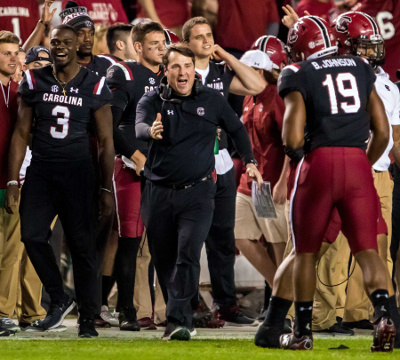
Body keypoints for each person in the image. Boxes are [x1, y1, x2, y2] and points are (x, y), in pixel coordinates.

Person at [275, 15, 395, 351]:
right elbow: (384, 133)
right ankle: (383, 316)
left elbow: (292, 138)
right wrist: (361, 164)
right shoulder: (361, 71)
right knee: (370, 252)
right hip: (360, 168)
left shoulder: (301, 73)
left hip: (322, 166)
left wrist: (305, 165)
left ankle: (301, 330)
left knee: (307, 253)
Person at [136, 44, 262, 340]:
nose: (183, 72)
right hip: (158, 192)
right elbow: (139, 125)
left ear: (195, 69)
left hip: (199, 192)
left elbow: (237, 129)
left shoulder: (212, 99)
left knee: (188, 254)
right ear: (164, 71)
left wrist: (251, 161)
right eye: (176, 67)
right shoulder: (151, 99)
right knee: (164, 259)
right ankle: (180, 312)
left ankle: (178, 319)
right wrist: (148, 132)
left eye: (188, 66)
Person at [5, 24, 115, 338]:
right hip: (41, 171)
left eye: (66, 42)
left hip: (79, 174)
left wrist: (106, 188)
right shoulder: (34, 80)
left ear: (78, 43)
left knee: (82, 248)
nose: (60, 47)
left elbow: (107, 141)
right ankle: (60, 296)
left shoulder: (93, 83)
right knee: (32, 236)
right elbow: (21, 133)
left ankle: (88, 320)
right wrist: (13, 182)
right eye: (55, 42)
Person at [182, 16, 265, 327]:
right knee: (189, 239)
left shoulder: (220, 71)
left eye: (209, 35)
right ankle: (190, 303)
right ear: (186, 43)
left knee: (221, 240)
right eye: (199, 37)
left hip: (223, 164)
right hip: (190, 165)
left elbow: (258, 85)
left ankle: (226, 305)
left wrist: (228, 56)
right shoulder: (181, 72)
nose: (206, 41)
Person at [103, 20, 165, 332]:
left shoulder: (172, 74)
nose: (161, 49)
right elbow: (110, 126)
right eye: (154, 44)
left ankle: (170, 310)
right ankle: (126, 309)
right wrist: (136, 155)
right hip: (132, 166)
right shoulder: (125, 73)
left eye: (163, 43)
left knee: (165, 242)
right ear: (138, 47)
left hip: (166, 169)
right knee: (130, 239)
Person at [235, 38, 289, 297]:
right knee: (239, 235)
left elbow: (291, 141)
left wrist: (283, 180)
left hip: (270, 183)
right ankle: (278, 289)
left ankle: (285, 307)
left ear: (258, 71)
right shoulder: (249, 96)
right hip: (251, 183)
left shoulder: (277, 95)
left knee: (279, 245)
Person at [0, 30, 22, 337]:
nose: (13, 58)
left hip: (12, 179)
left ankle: (3, 312)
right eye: (6, 53)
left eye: (15, 53)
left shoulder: (19, 92)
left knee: (11, 251)